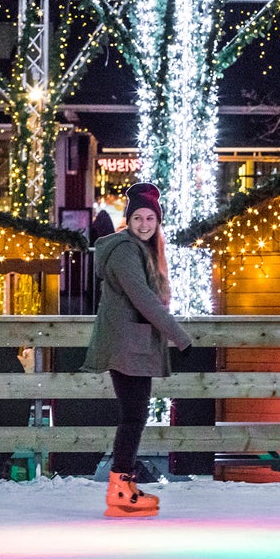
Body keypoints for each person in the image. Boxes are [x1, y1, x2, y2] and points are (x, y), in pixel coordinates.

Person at [82, 182, 192, 518]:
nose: (144, 224)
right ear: (128, 221)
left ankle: (123, 485)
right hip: (126, 346)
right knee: (133, 417)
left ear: (157, 222)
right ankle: (119, 488)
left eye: (150, 219)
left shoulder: (143, 250)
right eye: (138, 218)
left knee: (135, 416)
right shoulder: (126, 251)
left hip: (134, 344)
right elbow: (143, 299)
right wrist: (180, 337)